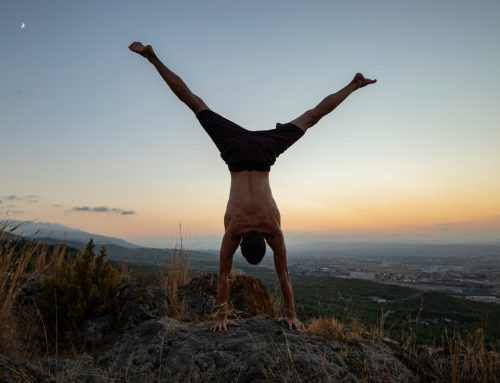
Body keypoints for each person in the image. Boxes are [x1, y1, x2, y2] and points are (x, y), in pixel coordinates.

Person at [129, 42, 376, 331]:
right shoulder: (232, 230)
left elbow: (283, 274)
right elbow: (225, 277)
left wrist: (291, 314)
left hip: (263, 153)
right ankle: (152, 58)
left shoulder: (273, 228)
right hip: (234, 152)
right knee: (195, 104)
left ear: (261, 242)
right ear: (240, 244)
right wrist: (222, 317)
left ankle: (353, 84)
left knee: (310, 118)